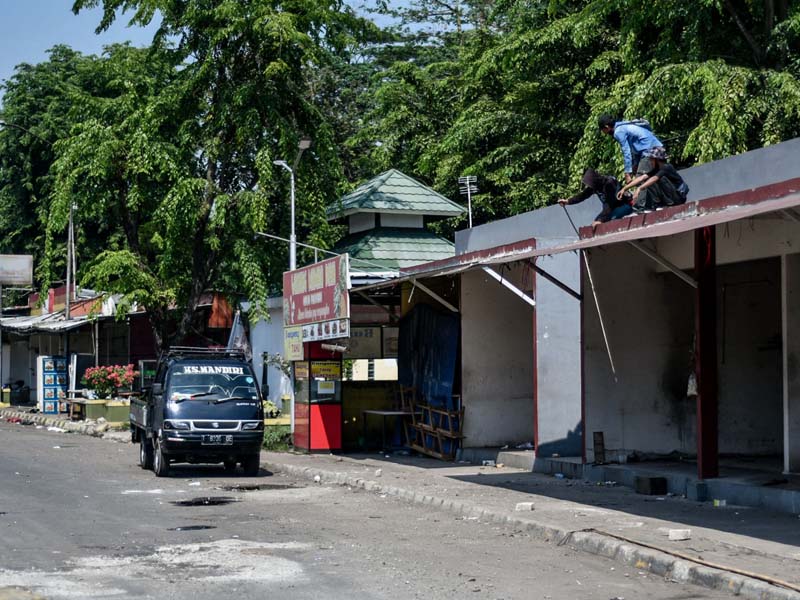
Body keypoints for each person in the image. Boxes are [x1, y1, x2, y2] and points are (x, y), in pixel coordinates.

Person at [616, 147, 688, 211]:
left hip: (678, 197)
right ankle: (660, 203)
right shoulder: (657, 169)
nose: (650, 161)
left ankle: (666, 203)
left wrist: (640, 188)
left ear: (656, 159)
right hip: (672, 195)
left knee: (655, 179)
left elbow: (654, 179)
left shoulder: (666, 167)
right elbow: (642, 178)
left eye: (651, 159)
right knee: (647, 179)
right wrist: (625, 188)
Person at [598, 115, 664, 184]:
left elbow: (626, 152)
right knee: (658, 177)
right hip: (658, 147)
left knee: (639, 181)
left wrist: (627, 173)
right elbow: (637, 147)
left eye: (602, 130)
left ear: (607, 127)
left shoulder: (618, 132)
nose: (603, 132)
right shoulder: (624, 125)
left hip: (649, 151)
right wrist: (635, 164)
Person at [558, 168, 633, 226]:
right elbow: (583, 195)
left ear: (595, 181)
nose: (590, 187)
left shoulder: (609, 184)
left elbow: (609, 205)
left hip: (625, 205)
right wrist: (568, 201)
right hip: (613, 208)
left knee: (606, 222)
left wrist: (600, 220)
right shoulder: (595, 186)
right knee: (594, 225)